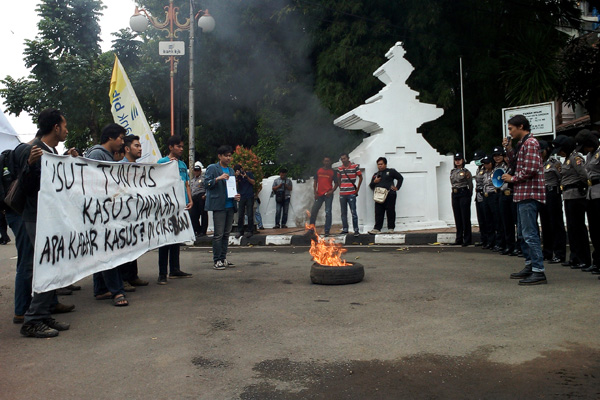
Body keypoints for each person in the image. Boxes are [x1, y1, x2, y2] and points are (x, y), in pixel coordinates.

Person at [14, 108, 76, 337]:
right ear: (56, 127)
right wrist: (29, 166)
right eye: (65, 126)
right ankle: (32, 320)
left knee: (53, 264)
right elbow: (27, 187)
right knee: (47, 266)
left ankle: (45, 312)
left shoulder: (50, 151)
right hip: (36, 217)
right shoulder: (33, 150)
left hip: (49, 217)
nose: (67, 130)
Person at [85, 123, 129, 306]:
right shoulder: (97, 155)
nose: (122, 142)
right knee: (109, 251)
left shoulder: (106, 156)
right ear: (110, 138)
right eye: (120, 137)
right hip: (99, 212)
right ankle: (116, 291)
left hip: (105, 210)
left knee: (103, 250)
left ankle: (101, 289)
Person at [502, 115, 547, 285]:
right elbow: (515, 163)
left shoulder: (531, 143)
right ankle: (530, 265)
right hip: (522, 195)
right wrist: (509, 148)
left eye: (511, 128)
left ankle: (538, 270)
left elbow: (531, 169)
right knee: (522, 234)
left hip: (529, 194)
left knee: (530, 234)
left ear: (521, 126)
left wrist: (512, 179)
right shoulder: (522, 144)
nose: (510, 132)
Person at [156, 135, 194, 283]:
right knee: (166, 239)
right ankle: (162, 273)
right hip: (167, 206)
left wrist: (189, 199)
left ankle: (175, 269)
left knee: (177, 238)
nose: (181, 149)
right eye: (178, 146)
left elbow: (186, 184)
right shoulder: (162, 162)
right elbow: (157, 181)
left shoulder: (183, 165)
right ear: (171, 147)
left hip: (181, 205)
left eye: (182, 147)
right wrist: (167, 167)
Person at [552, 134, 591, 270]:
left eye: (561, 150)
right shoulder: (566, 160)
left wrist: (582, 186)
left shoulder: (576, 158)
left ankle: (584, 259)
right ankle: (574, 257)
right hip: (568, 196)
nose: (560, 153)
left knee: (579, 228)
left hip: (576, 196)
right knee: (572, 228)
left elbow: (584, 175)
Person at [117, 135, 149, 289]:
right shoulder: (120, 167)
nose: (140, 148)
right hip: (123, 212)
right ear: (127, 148)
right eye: (137, 146)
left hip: (135, 212)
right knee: (124, 246)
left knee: (134, 244)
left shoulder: (138, 166)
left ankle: (132, 276)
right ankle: (123, 279)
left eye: (140, 146)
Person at [205, 145, 241, 270]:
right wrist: (218, 178)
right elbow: (206, 183)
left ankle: (223, 257)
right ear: (219, 156)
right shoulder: (212, 168)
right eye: (226, 155)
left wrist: (236, 196)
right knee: (218, 234)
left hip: (230, 205)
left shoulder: (231, 171)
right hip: (219, 206)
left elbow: (232, 187)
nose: (228, 158)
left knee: (226, 234)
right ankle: (217, 260)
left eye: (230, 155)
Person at [575, 129, 600, 275]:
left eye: (584, 146)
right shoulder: (590, 155)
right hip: (591, 195)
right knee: (595, 230)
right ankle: (597, 262)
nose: (583, 150)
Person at [537, 140, 567, 264]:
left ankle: (559, 253)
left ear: (547, 150)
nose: (540, 154)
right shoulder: (538, 164)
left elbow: (562, 178)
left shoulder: (554, 163)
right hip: (541, 194)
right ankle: (547, 251)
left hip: (552, 193)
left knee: (556, 223)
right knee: (545, 224)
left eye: (541, 152)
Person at [368, 157, 404, 234]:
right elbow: (371, 186)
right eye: (378, 164)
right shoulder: (376, 175)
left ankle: (391, 228)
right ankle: (377, 228)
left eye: (381, 164)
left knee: (390, 211)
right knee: (378, 212)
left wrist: (397, 187)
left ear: (385, 164)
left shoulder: (391, 171)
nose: (380, 166)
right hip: (379, 196)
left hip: (390, 194)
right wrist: (375, 182)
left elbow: (400, 178)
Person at [309, 156, 339, 236]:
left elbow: (337, 183)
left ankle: (327, 231)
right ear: (323, 161)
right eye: (325, 161)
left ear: (330, 162)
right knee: (314, 211)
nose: (327, 162)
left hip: (328, 194)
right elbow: (315, 182)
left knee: (328, 212)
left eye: (328, 161)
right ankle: (311, 229)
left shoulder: (333, 172)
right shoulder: (319, 170)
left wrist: (331, 191)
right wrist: (315, 192)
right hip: (319, 194)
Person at [449, 152, 472, 246]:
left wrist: (468, 196)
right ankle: (459, 238)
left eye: (459, 159)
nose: (457, 161)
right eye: (456, 160)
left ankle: (467, 239)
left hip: (463, 193)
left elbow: (470, 184)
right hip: (455, 194)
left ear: (463, 161)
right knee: (457, 217)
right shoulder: (452, 171)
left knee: (465, 217)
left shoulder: (466, 172)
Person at [337, 153, 363, 237]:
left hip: (351, 193)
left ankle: (356, 230)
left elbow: (360, 177)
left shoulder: (355, 167)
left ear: (348, 158)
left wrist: (357, 189)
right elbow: (338, 179)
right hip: (343, 193)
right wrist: (341, 187)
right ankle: (345, 229)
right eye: (342, 159)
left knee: (353, 212)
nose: (343, 160)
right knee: (343, 213)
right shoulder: (340, 168)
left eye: (344, 158)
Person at [234, 164, 256, 238]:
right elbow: (236, 187)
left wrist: (247, 177)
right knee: (240, 215)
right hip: (241, 196)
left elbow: (253, 182)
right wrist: (237, 177)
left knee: (250, 214)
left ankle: (250, 230)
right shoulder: (237, 177)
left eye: (240, 170)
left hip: (249, 196)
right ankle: (240, 231)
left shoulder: (249, 173)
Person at [472, 150, 488, 247]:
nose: (476, 161)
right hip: (478, 196)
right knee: (481, 219)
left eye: (478, 159)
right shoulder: (479, 169)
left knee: (487, 220)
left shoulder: (485, 168)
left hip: (484, 195)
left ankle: (489, 240)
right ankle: (483, 239)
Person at [480, 156, 497, 249]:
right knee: (488, 220)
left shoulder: (496, 172)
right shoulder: (484, 173)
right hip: (485, 196)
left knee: (495, 219)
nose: (486, 165)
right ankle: (490, 241)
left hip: (493, 195)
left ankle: (497, 241)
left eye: (488, 163)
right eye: (485, 163)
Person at [189, 161, 209, 238]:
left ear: (200, 171)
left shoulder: (203, 179)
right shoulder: (192, 180)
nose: (196, 172)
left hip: (201, 196)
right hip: (194, 197)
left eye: (198, 170)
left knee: (203, 214)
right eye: (195, 170)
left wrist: (205, 195)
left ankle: (203, 231)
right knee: (193, 215)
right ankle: (197, 229)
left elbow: (207, 188)